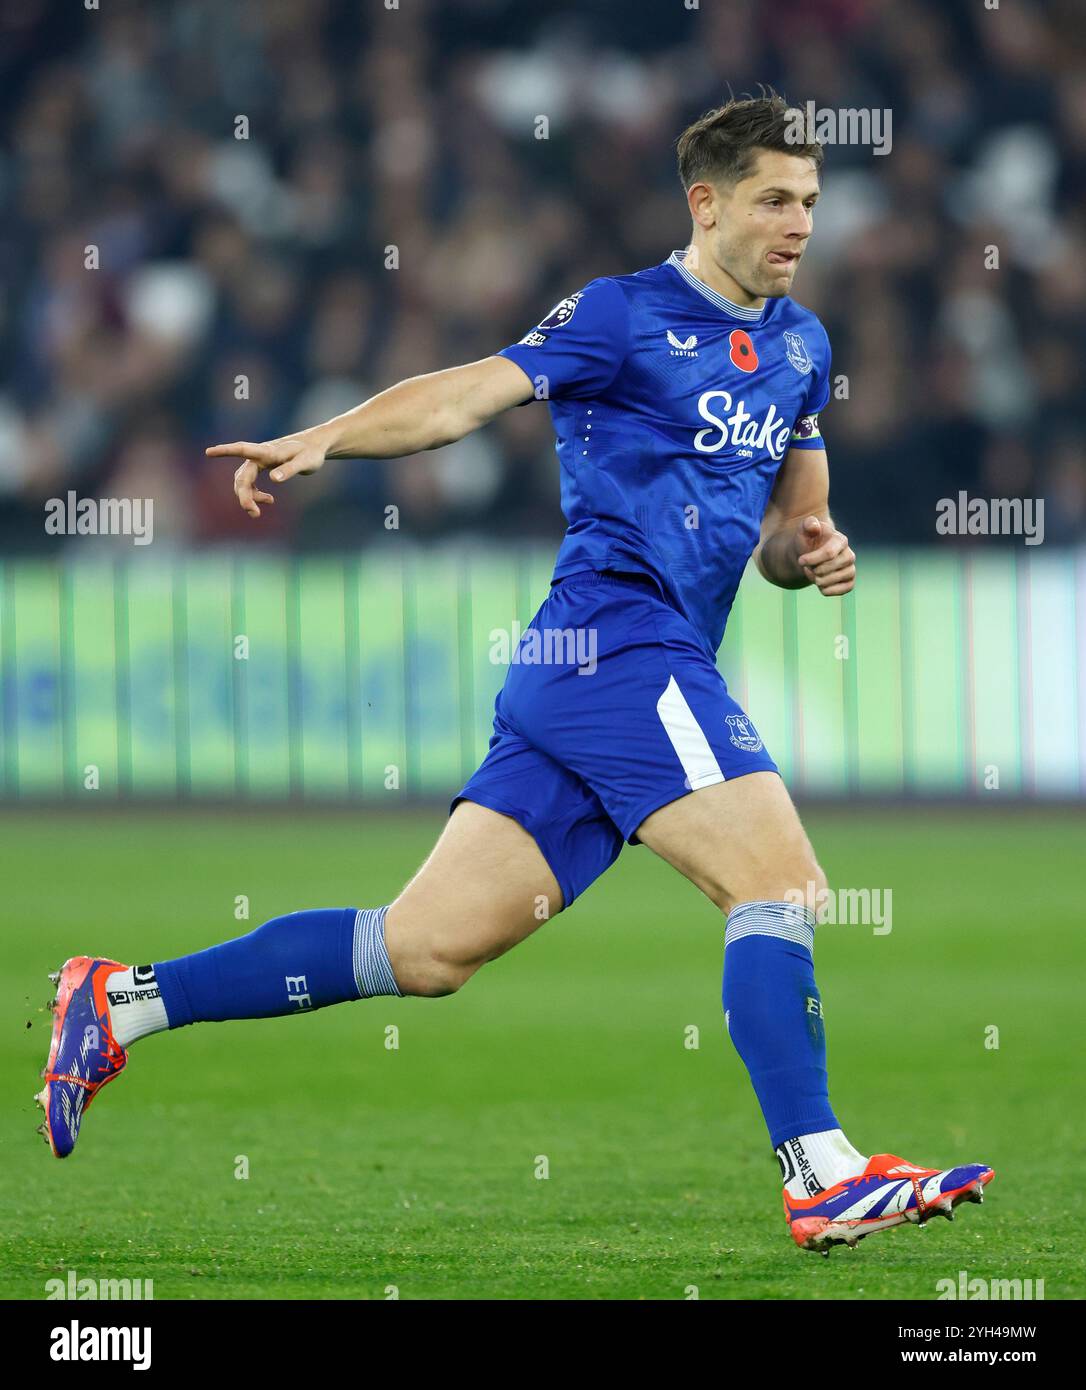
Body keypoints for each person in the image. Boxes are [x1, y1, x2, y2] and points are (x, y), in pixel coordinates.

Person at [37, 94, 992, 1253]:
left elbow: (794, 527)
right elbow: (466, 394)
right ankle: (820, 1168)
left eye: (811, 204)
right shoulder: (620, 315)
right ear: (706, 203)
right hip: (615, 642)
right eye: (775, 201)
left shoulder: (801, 346)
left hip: (596, 675)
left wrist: (813, 553)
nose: (800, 225)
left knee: (421, 949)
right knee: (777, 885)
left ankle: (119, 1000)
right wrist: (328, 436)